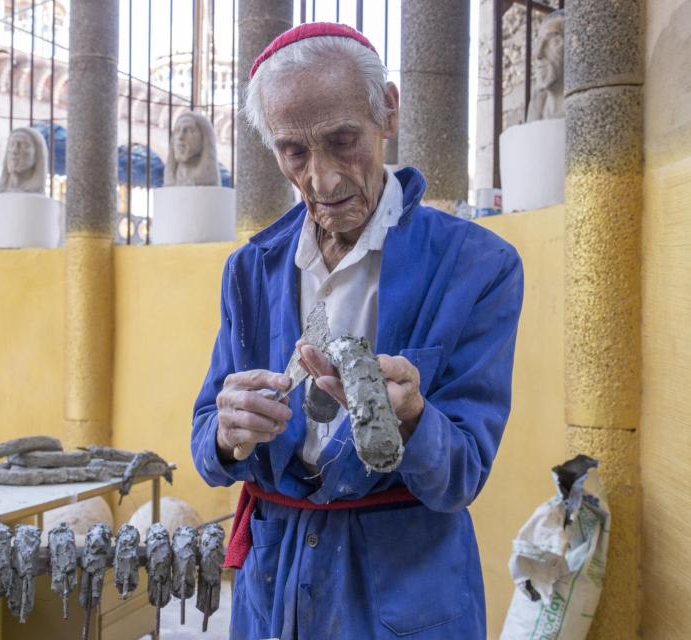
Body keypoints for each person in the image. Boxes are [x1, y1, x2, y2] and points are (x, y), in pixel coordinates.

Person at [191, 22, 524, 639]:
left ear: (387, 112)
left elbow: (463, 474)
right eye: (294, 151)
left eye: (343, 140)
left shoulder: (477, 268)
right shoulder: (250, 270)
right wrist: (227, 433)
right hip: (275, 587)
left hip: (406, 592)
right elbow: (206, 440)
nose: (322, 179)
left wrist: (413, 420)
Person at [164, 110, 221, 187]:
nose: (180, 137)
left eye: (188, 130)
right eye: (177, 131)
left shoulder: (207, 181)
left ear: (203, 139)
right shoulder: (175, 176)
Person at [0, 126, 48, 194]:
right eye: (11, 144)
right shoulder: (2, 194)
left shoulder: (38, 198)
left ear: (37, 154)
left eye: (23, 145)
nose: (14, 150)